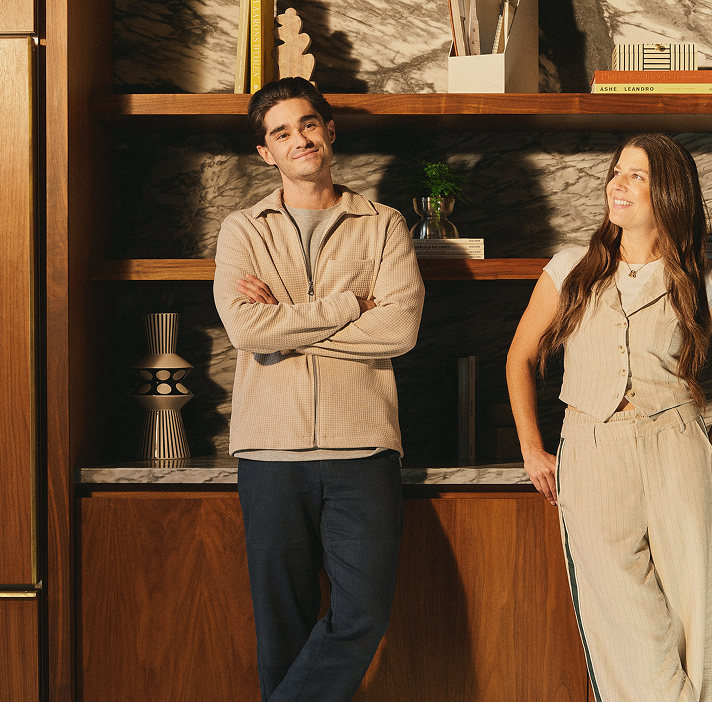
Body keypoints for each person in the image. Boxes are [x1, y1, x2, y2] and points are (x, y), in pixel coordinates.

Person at [506, 133, 712, 702]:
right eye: (617, 171)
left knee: (689, 615)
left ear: (669, 192)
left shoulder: (705, 283)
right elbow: (519, 356)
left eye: (636, 175)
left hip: (676, 450)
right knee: (624, 620)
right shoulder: (569, 269)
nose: (618, 185)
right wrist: (530, 446)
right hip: (591, 451)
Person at [213, 77, 425, 702]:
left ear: (329, 132)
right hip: (269, 454)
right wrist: (343, 306)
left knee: (362, 616)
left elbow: (400, 329)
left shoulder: (383, 225)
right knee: (282, 629)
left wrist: (289, 324)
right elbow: (245, 329)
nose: (299, 139)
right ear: (266, 153)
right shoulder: (242, 230)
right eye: (281, 133)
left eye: (308, 124)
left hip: (362, 450)